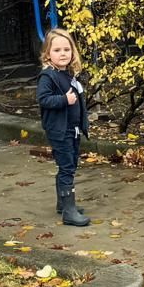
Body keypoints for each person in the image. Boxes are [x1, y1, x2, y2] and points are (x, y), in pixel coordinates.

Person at [36, 27, 90, 227]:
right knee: (67, 167)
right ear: (48, 54)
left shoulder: (67, 74)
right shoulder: (48, 76)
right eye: (57, 50)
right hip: (60, 130)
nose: (63, 54)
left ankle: (63, 203)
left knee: (69, 165)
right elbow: (43, 99)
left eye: (67, 49)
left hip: (72, 129)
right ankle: (69, 211)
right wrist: (64, 100)